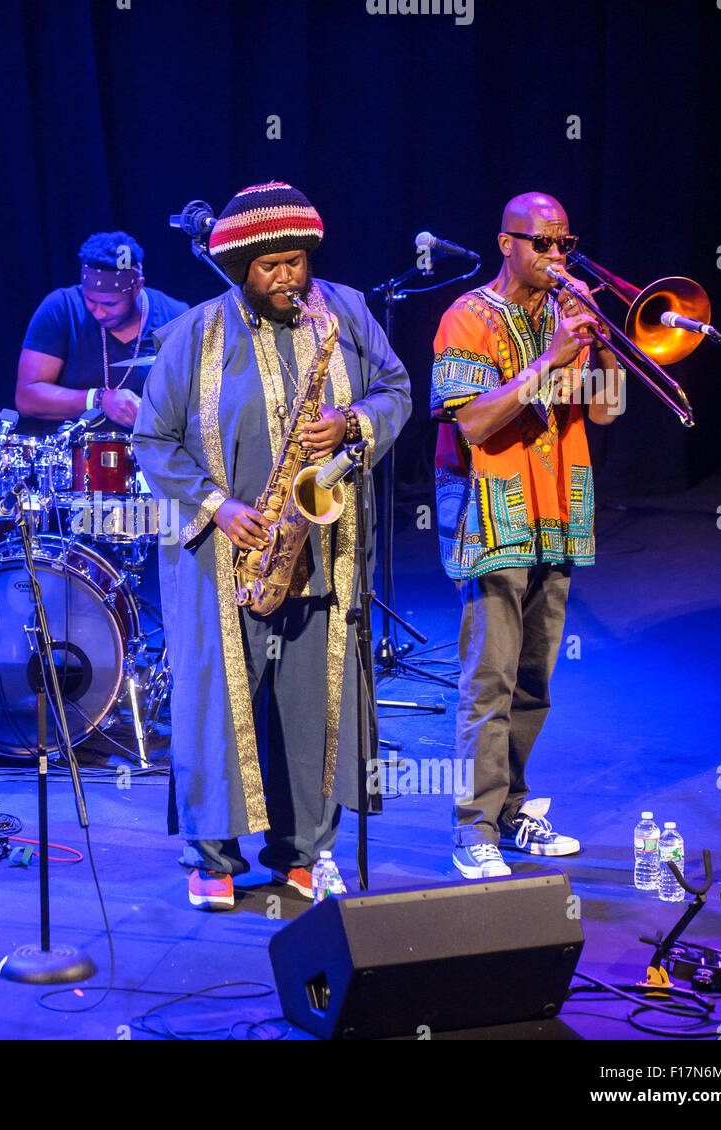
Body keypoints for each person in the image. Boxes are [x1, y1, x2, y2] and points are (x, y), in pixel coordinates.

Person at [132, 182, 412, 909]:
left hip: (323, 548)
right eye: (269, 267)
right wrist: (219, 506)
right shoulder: (193, 333)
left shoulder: (345, 312)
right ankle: (212, 858)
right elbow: (151, 440)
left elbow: (397, 389)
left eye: (295, 262)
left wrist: (350, 423)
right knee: (218, 705)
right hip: (223, 554)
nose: (286, 277)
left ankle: (302, 853)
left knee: (312, 700)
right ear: (241, 269)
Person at [430, 191, 624, 879]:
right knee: (490, 679)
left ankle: (511, 813)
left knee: (534, 680)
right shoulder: (468, 316)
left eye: (564, 244)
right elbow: (474, 423)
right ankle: (473, 829)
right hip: (492, 514)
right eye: (541, 243)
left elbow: (602, 413)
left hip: (559, 514)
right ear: (506, 241)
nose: (555, 257)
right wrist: (550, 360)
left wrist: (599, 344)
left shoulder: (569, 318)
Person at [16, 231, 188, 431]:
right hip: (74, 456)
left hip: (151, 454)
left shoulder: (177, 317)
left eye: (111, 303)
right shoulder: (61, 307)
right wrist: (99, 400)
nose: (100, 313)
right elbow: (26, 398)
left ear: (138, 286)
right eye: (91, 301)